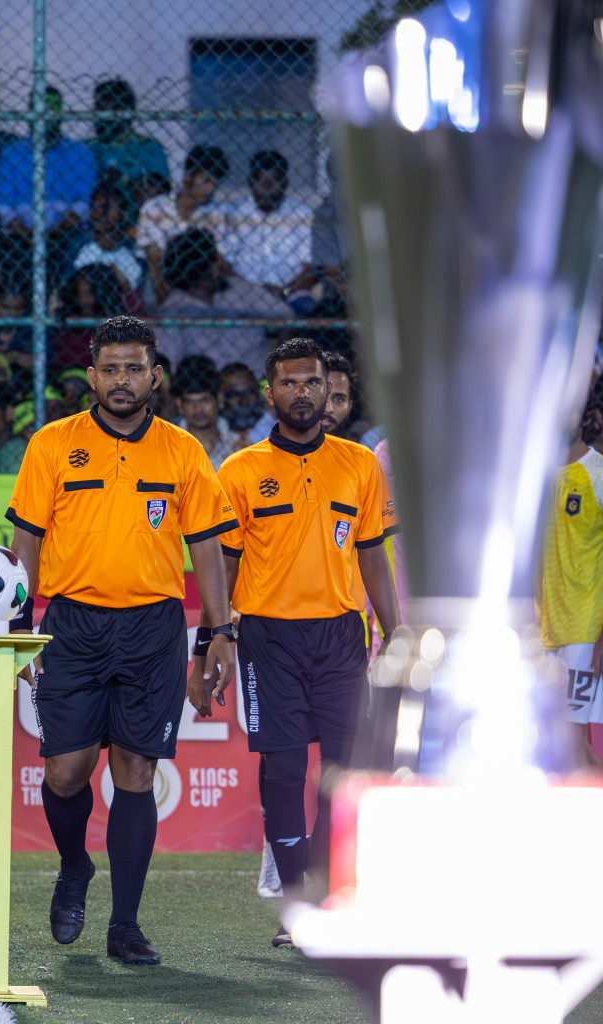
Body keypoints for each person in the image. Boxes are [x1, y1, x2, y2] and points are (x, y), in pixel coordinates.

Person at [5, 315, 237, 966]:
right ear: (91, 377)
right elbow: (27, 537)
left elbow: (206, 547)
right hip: (72, 624)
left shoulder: (182, 452)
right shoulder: (53, 444)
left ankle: (125, 925)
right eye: (109, 368)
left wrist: (219, 631)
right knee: (66, 770)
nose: (122, 380)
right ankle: (74, 865)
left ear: (154, 376)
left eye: (134, 368)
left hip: (153, 627)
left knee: (136, 771)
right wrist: (21, 623)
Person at [213, 337, 401, 947]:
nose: (301, 393)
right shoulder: (240, 471)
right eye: (289, 383)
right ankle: (296, 906)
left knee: (348, 770)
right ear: (270, 393)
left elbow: (372, 556)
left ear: (329, 390)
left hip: (343, 637)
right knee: (287, 765)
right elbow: (228, 568)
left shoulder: (359, 464)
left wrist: (397, 632)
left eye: (312, 382)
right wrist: (217, 636)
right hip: (268, 637)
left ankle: (326, 888)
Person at [537, 390, 603, 767]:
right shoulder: (534, 477)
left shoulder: (597, 473)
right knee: (555, 743)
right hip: (541, 629)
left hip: (583, 630)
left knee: (571, 745)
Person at [157, 228, 292, 377]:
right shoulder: (172, 310)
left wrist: (279, 370)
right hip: (209, 392)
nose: (221, 261)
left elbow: (288, 319)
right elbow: (171, 364)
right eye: (215, 258)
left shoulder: (240, 288)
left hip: (257, 383)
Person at [0, 87, 97, 234]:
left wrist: (56, 233)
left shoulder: (80, 154)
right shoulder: (12, 153)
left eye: (50, 111)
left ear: (60, 115)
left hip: (70, 235)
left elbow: (84, 202)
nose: (42, 119)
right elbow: (2, 203)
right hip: (18, 237)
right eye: (36, 111)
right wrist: (27, 235)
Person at [137, 146, 231, 302]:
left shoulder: (218, 214)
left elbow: (218, 262)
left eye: (215, 183)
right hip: (161, 286)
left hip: (202, 288)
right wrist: (169, 304)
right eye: (206, 181)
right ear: (188, 178)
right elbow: (154, 262)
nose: (211, 189)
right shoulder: (154, 208)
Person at [222, 151, 314, 291]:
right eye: (261, 182)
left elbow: (311, 267)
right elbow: (222, 264)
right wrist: (248, 291)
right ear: (250, 182)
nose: (267, 189)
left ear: (285, 184)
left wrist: (286, 292)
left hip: (290, 293)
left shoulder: (303, 214)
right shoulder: (233, 212)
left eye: (274, 182)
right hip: (242, 294)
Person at [87, 79, 170, 207]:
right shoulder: (84, 149)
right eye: (99, 106)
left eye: (111, 107)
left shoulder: (149, 148)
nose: (102, 114)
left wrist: (124, 183)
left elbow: (158, 193)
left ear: (127, 111)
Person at [172, 364, 243, 473]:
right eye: (190, 402)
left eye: (204, 400)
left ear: (219, 400)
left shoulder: (239, 446)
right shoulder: (169, 446)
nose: (198, 409)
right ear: (180, 405)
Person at [321, 350, 359, 439]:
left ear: (349, 406)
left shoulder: (359, 452)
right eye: (321, 396)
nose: (328, 409)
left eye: (338, 400)